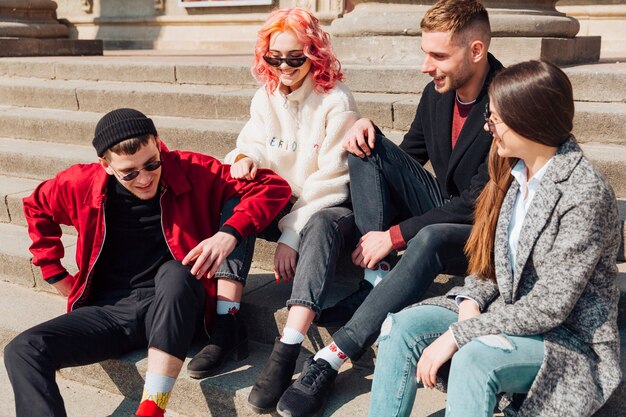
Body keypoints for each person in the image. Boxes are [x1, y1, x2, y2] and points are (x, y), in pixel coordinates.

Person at [276, 1, 503, 416]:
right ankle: (376, 280)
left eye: (437, 55)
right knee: (363, 142)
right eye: (425, 53)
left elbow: (475, 203)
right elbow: (408, 157)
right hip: (442, 205)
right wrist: (367, 134)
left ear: (475, 51)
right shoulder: (437, 93)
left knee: (429, 234)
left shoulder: (506, 100)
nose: (424, 66)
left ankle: (331, 357)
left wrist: (394, 236)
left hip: (486, 229)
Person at [370, 60, 622, 417]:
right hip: (504, 312)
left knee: (475, 358)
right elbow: (489, 264)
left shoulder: (584, 192)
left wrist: (461, 333)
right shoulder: (515, 174)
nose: (489, 128)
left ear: (529, 120)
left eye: (496, 120)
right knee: (400, 328)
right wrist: (470, 298)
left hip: (568, 337)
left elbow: (550, 306)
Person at [3, 108, 291, 417]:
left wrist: (229, 234)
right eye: (129, 172)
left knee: (175, 272)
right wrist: (54, 272)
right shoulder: (82, 183)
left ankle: (152, 409)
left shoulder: (192, 170)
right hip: (110, 312)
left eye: (151, 164)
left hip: (176, 305)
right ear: (106, 165)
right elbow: (36, 205)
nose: (144, 178)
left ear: (157, 142)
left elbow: (273, 187)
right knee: (22, 350)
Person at [184, 7, 359, 414]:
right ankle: (228, 324)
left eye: (294, 57)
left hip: (328, 206)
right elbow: (256, 141)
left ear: (314, 53)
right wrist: (246, 157)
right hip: (281, 199)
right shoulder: (266, 95)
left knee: (318, 223)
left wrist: (290, 233)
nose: (283, 66)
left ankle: (287, 351)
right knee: (238, 198)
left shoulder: (336, 100)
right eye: (273, 57)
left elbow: (331, 181)